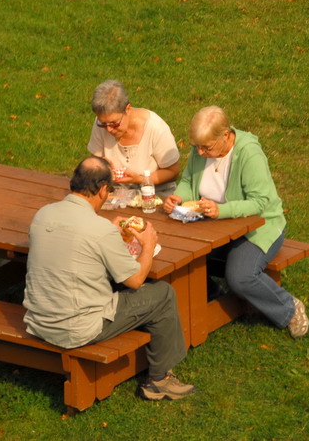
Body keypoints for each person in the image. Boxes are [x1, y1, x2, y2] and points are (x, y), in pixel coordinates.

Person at [23, 156, 196, 401]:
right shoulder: (99, 229)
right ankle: (159, 380)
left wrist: (110, 236)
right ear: (103, 189)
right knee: (162, 294)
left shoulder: (43, 214)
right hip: (75, 329)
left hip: (38, 320)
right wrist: (148, 244)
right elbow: (135, 280)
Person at [163, 106, 309, 339]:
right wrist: (179, 197)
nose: (200, 152)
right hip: (212, 225)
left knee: (240, 276)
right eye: (197, 147)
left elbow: (260, 202)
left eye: (206, 148)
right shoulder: (201, 148)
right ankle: (213, 295)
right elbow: (189, 180)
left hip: (258, 227)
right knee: (178, 258)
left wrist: (221, 210)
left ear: (225, 135)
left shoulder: (249, 153)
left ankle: (289, 308)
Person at [88, 80, 180, 198]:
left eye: (114, 123)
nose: (109, 129)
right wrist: (102, 166)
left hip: (155, 196)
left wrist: (141, 179)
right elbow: (94, 161)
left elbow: (173, 172)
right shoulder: (101, 123)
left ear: (128, 109)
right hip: (116, 195)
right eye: (103, 124)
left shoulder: (156, 128)